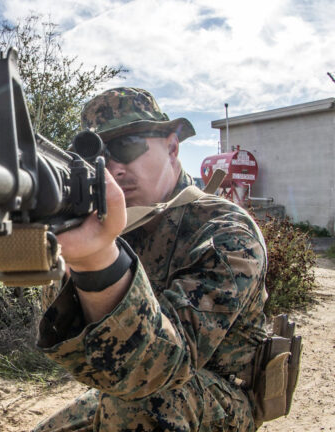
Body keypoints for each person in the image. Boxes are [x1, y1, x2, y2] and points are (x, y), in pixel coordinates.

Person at [33, 88, 268, 431]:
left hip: (218, 398)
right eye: (98, 155)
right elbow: (88, 354)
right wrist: (70, 260)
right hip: (131, 388)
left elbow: (165, 369)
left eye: (127, 147)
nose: (113, 168)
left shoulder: (226, 231)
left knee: (146, 406)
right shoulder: (117, 223)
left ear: (172, 147)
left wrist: (100, 260)